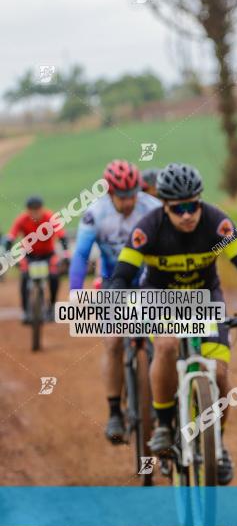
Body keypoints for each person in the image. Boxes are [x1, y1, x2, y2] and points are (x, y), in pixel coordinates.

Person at [108, 163, 237, 485]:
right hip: (162, 298)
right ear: (164, 206)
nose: (187, 215)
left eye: (192, 206)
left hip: (206, 300)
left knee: (220, 373)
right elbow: (123, 275)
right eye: (178, 208)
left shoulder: (217, 222)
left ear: (200, 201)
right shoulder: (148, 227)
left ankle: (218, 446)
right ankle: (166, 424)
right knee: (167, 345)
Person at [69, 160, 161, 443]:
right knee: (111, 341)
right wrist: (76, 292)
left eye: (133, 194)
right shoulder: (95, 214)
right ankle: (114, 413)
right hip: (114, 282)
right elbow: (82, 256)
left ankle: (163, 401)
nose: (129, 201)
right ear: (110, 194)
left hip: (149, 279)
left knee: (165, 339)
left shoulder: (153, 208)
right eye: (122, 197)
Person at [4, 196, 70, 322]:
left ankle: (51, 307)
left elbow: (62, 237)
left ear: (42, 209)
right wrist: (8, 254)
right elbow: (11, 237)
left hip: (48, 255)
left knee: (54, 276)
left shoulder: (50, 218)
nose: (35, 212)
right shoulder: (22, 220)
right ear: (27, 210)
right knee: (24, 277)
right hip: (29, 256)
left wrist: (66, 254)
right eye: (31, 210)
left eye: (37, 209)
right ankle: (25, 311)